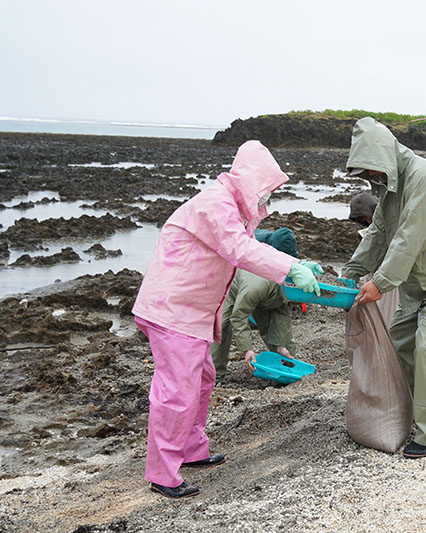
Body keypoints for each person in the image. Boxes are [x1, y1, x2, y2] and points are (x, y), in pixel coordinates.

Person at [132, 141, 322, 499]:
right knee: (177, 392)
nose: (268, 198)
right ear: (251, 181)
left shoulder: (233, 208)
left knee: (201, 379)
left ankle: (190, 449)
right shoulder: (216, 204)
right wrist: (290, 266)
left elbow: (250, 245)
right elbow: (239, 249)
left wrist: (294, 264)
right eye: (266, 190)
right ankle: (162, 472)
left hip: (191, 313)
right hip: (172, 310)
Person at [342, 117, 426, 459]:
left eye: (370, 170)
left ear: (382, 157)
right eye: (365, 174)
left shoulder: (422, 175)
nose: (370, 178)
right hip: (418, 287)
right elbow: (378, 232)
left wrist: (380, 283)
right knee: (400, 342)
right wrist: (353, 271)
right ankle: (415, 411)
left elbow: (409, 237)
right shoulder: (389, 187)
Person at [211, 227, 300, 384]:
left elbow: (281, 314)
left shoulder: (289, 279)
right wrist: (247, 350)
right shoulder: (256, 285)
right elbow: (238, 317)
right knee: (222, 326)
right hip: (231, 280)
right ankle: (214, 376)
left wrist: (281, 346)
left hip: (265, 287)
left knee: (275, 328)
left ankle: (286, 367)